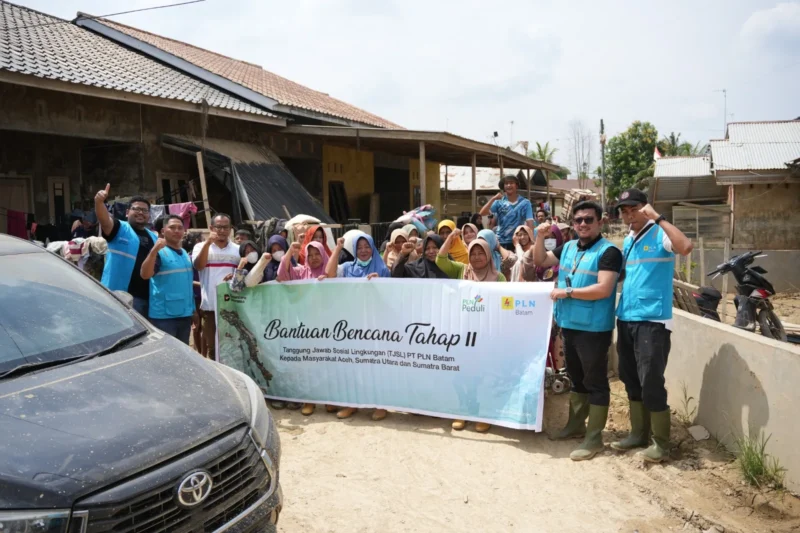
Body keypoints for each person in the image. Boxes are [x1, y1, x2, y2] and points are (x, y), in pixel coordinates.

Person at [532, 201, 622, 461]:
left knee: (595, 382)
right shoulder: (569, 247)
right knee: (577, 378)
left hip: (594, 329)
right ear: (572, 223)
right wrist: (540, 237)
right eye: (578, 220)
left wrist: (567, 292)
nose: (583, 224)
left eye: (588, 219)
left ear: (600, 222)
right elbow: (540, 260)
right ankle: (575, 426)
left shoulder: (609, 252)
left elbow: (604, 288)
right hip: (569, 324)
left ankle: (594, 439)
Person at [612, 189, 693, 463]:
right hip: (627, 317)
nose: (629, 215)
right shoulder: (628, 239)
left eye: (633, 209)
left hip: (652, 319)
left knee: (651, 380)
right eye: (624, 211)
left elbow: (685, 247)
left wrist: (658, 218)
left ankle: (661, 443)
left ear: (645, 208)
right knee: (630, 377)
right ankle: (638, 433)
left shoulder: (660, 233)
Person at [437, 229, 505, 433]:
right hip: (463, 334)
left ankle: (483, 413)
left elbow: (504, 306)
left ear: (488, 255)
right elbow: (441, 259)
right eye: (473, 253)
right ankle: (463, 410)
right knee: (461, 373)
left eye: (480, 253)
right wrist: (451, 238)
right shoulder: (461, 271)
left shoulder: (499, 277)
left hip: (486, 335)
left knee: (483, 375)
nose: (476, 257)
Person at [325, 232, 391, 421]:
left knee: (376, 366)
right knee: (353, 366)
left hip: (375, 326)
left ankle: (380, 405)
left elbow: (391, 296)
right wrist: (338, 248)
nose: (363, 250)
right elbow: (329, 274)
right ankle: (352, 404)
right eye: (359, 247)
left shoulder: (383, 269)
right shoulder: (347, 268)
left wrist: (380, 283)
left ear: (372, 248)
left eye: (366, 246)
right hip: (353, 326)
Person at [278, 240, 331, 416]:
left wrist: (328, 282)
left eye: (317, 254)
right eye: (311, 255)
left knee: (327, 362)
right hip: (305, 326)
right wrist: (289, 252)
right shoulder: (301, 272)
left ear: (323, 255)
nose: (314, 258)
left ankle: (329, 399)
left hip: (326, 325)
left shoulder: (329, 271)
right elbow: (282, 275)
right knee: (308, 362)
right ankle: (310, 400)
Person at [94, 185, 158, 317]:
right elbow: (105, 221)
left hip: (148, 298)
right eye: (136, 209)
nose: (141, 212)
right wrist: (99, 202)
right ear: (127, 212)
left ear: (149, 215)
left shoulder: (154, 237)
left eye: (145, 210)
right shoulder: (120, 228)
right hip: (119, 297)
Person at [140, 215, 194, 344]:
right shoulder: (159, 253)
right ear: (163, 231)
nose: (176, 231)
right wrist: (154, 250)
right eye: (172, 227)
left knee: (182, 352)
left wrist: (193, 310)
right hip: (164, 317)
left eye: (180, 228)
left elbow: (186, 284)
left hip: (185, 314)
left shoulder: (184, 253)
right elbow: (145, 275)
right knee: (166, 352)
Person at [192, 214, 239, 360]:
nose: (222, 231)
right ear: (211, 228)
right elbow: (199, 266)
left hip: (232, 306)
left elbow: (243, 276)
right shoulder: (200, 246)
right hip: (210, 307)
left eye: (226, 227)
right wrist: (207, 243)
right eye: (218, 227)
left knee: (232, 345)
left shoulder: (237, 249)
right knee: (213, 347)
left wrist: (235, 276)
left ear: (230, 229)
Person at [479, 175, 534, 251]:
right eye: (506, 183)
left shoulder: (525, 203)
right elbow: (482, 213)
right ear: (503, 187)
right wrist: (493, 198)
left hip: (518, 241)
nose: (508, 185)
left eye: (511, 183)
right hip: (500, 242)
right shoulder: (499, 202)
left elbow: (530, 223)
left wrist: (531, 241)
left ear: (516, 185)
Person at [182, 232, 204, 355]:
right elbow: (187, 279)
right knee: (197, 327)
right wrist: (201, 284)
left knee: (204, 328)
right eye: (202, 239)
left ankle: (202, 352)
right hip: (195, 297)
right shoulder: (189, 258)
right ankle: (199, 353)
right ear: (197, 242)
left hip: (204, 296)